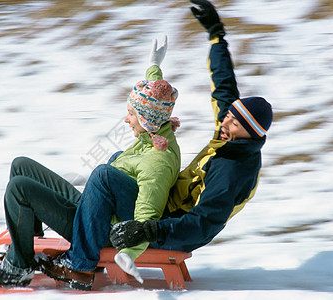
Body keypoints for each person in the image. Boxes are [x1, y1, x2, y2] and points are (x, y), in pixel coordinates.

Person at [0, 37, 181, 291]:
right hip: (94, 210)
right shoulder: (155, 131)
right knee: (22, 165)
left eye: (131, 114)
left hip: (98, 231)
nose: (126, 120)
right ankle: (25, 243)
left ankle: (18, 268)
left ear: (147, 119)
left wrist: (129, 251)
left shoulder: (157, 161)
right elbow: (155, 98)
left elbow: (146, 216)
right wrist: (154, 65)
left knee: (20, 187)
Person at [110, 0, 273, 257]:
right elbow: (224, 83)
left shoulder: (234, 170)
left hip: (176, 228)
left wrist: (150, 230)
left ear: (250, 134)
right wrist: (216, 34)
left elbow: (203, 224)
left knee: (107, 178)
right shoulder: (230, 131)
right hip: (168, 207)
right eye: (228, 116)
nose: (225, 124)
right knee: (118, 162)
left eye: (234, 123)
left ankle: (84, 245)